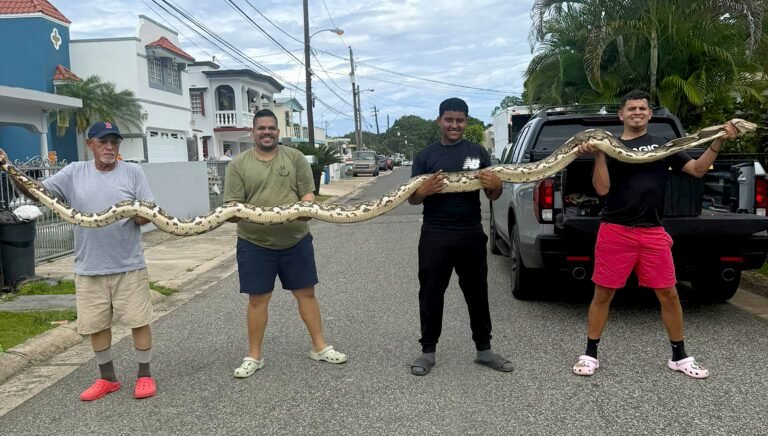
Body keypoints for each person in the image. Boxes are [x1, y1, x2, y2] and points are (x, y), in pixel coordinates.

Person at [572, 90, 738, 378]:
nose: (637, 112)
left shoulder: (665, 146)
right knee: (603, 293)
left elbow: (698, 170)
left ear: (649, 114)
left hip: (652, 232)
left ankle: (680, 356)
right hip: (615, 230)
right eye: (631, 108)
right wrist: (600, 153)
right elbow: (602, 190)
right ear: (621, 114)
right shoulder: (611, 146)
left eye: (643, 108)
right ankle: (590, 353)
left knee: (670, 294)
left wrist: (718, 142)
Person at [0, 121, 158, 400]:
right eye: (103, 142)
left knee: (139, 320)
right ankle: (107, 378)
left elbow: (147, 211)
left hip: (128, 264)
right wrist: (9, 167)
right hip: (89, 266)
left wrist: (140, 215)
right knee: (96, 324)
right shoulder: (74, 172)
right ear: (90, 144)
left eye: (114, 142)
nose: (110, 147)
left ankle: (144, 375)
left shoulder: (133, 172)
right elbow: (35, 192)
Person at [224, 109, 347, 378]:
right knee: (258, 299)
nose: (266, 132)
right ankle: (254, 356)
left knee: (306, 294)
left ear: (278, 132)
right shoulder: (238, 164)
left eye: (271, 128)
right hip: (254, 242)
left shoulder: (294, 157)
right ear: (253, 132)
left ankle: (320, 347)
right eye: (261, 128)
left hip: (296, 239)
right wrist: (235, 215)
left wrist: (307, 207)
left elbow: (307, 193)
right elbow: (232, 206)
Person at [407, 97, 513, 376]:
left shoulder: (478, 152)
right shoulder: (425, 156)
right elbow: (412, 200)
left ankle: (484, 350)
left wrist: (497, 185)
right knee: (431, 293)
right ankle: (427, 351)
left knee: (477, 292)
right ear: (439, 120)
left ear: (466, 121)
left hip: (470, 232)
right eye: (449, 119)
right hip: (435, 232)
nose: (454, 125)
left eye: (460, 120)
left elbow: (493, 194)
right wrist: (424, 191)